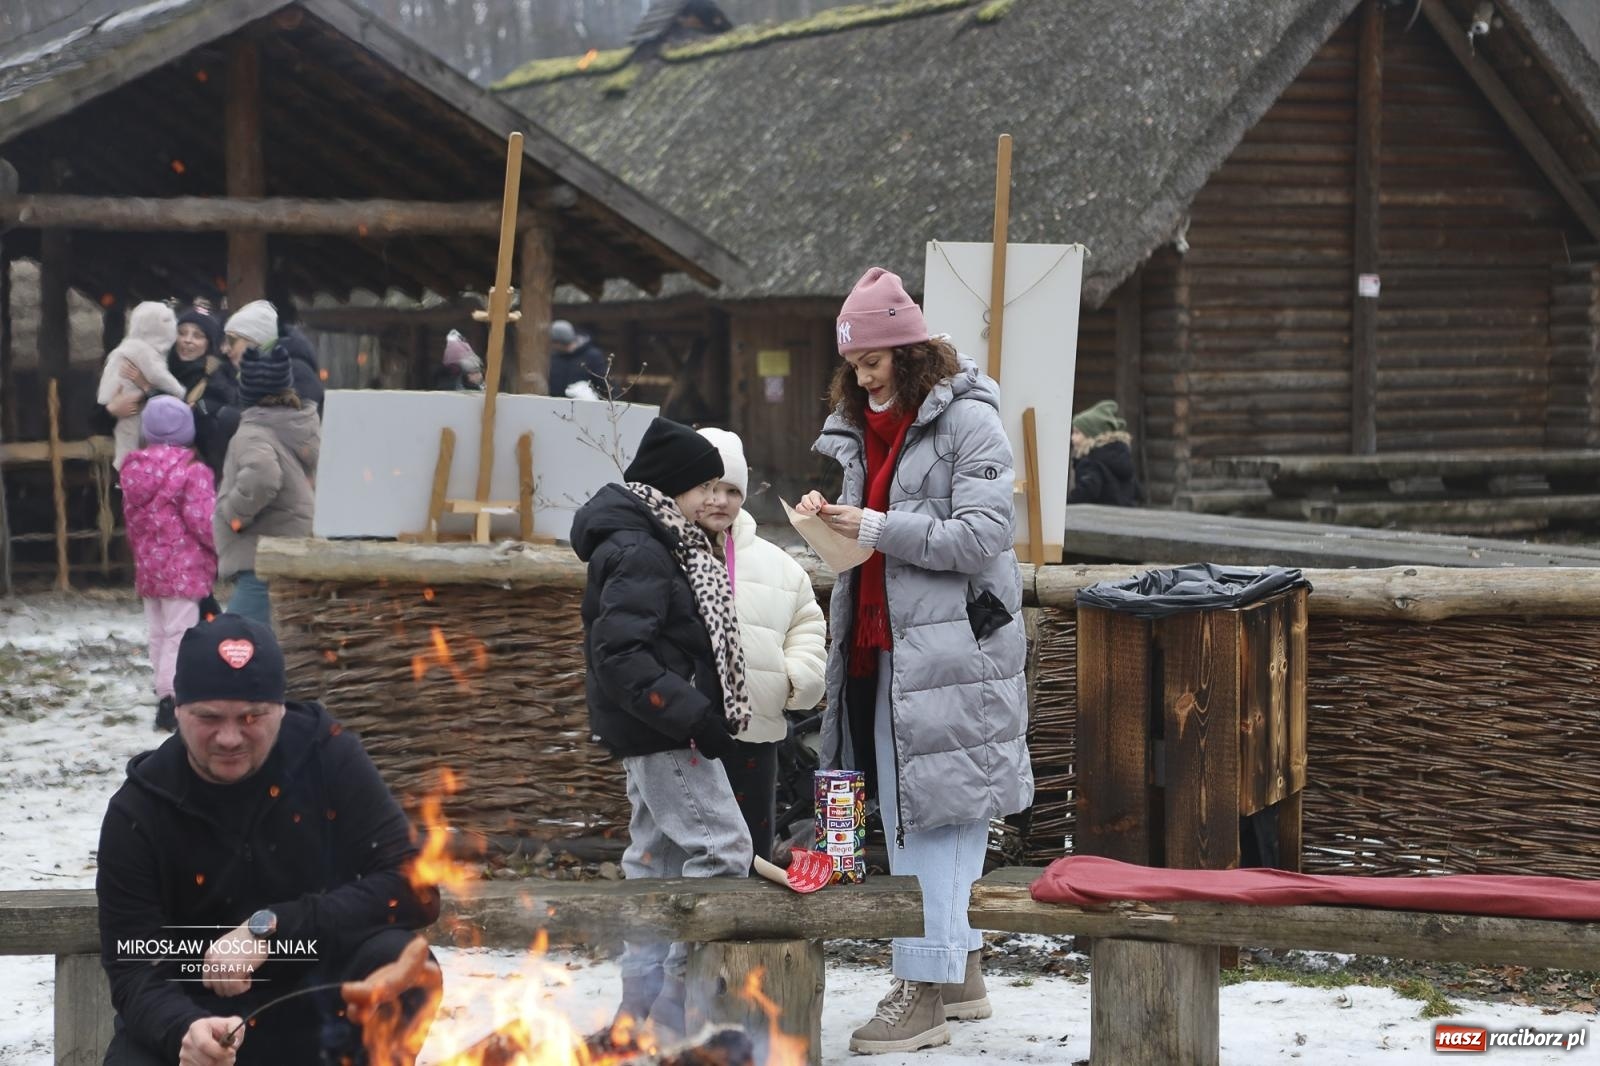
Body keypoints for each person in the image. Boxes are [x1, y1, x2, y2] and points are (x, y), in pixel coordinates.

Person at [796, 267, 1033, 1055]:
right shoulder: (860, 425)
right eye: (853, 363)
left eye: (874, 358)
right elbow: (879, 532)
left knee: (938, 811)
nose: (862, 375)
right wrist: (833, 519)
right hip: (880, 644)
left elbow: (978, 537)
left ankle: (923, 989)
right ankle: (958, 968)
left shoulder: (973, 425)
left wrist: (874, 525)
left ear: (911, 349)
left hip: (953, 650)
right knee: (905, 810)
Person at [96, 615, 443, 1066]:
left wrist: (275, 927)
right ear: (178, 709)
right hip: (196, 1014)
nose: (229, 737)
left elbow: (416, 888)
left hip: (321, 1000)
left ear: (280, 708)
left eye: (251, 717)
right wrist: (181, 1027)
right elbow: (132, 962)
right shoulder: (137, 810)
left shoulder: (328, 756)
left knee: (404, 963)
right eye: (208, 717)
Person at [569, 416, 753, 1039]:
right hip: (665, 732)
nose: (713, 497)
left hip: (655, 729)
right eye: (703, 484)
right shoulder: (644, 548)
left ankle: (633, 1016)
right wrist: (695, 715)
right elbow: (619, 654)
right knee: (725, 852)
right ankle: (676, 1004)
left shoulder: (655, 538)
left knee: (654, 864)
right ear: (673, 485)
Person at [694, 427, 826, 863]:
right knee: (688, 841)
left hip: (755, 730)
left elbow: (806, 621)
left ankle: (745, 926)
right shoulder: (666, 553)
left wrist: (793, 681)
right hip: (684, 732)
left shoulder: (776, 566)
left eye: (731, 489)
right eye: (707, 488)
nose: (719, 500)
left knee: (750, 842)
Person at [119, 396, 218, 733]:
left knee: (158, 632)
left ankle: (162, 689)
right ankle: (172, 698)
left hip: (149, 567)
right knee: (181, 633)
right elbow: (202, 521)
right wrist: (221, 546)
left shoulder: (133, 472)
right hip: (185, 568)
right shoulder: (194, 471)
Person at [214, 344, 320, 628]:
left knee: (234, 639)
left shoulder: (254, 432)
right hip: (286, 548)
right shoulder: (298, 426)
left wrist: (234, 514)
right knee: (274, 640)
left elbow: (262, 476)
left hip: (259, 557)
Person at [97, 302, 182, 470]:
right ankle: (128, 471)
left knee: (129, 436)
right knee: (129, 437)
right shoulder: (142, 350)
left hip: (129, 406)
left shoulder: (129, 348)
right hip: (127, 405)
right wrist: (179, 391)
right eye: (166, 321)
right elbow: (159, 377)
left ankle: (128, 472)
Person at [1067, 399, 1141, 506]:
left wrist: (1066, 503)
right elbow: (1137, 491)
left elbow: (1088, 490)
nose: (1072, 438)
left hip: (1097, 518)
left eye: (1077, 433)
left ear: (1092, 434)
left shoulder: (1090, 460)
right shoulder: (1119, 456)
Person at [548, 320, 612, 400]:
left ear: (558, 342)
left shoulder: (592, 356)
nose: (551, 346)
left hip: (585, 406)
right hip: (555, 407)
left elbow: (605, 384)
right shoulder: (554, 357)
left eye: (553, 342)